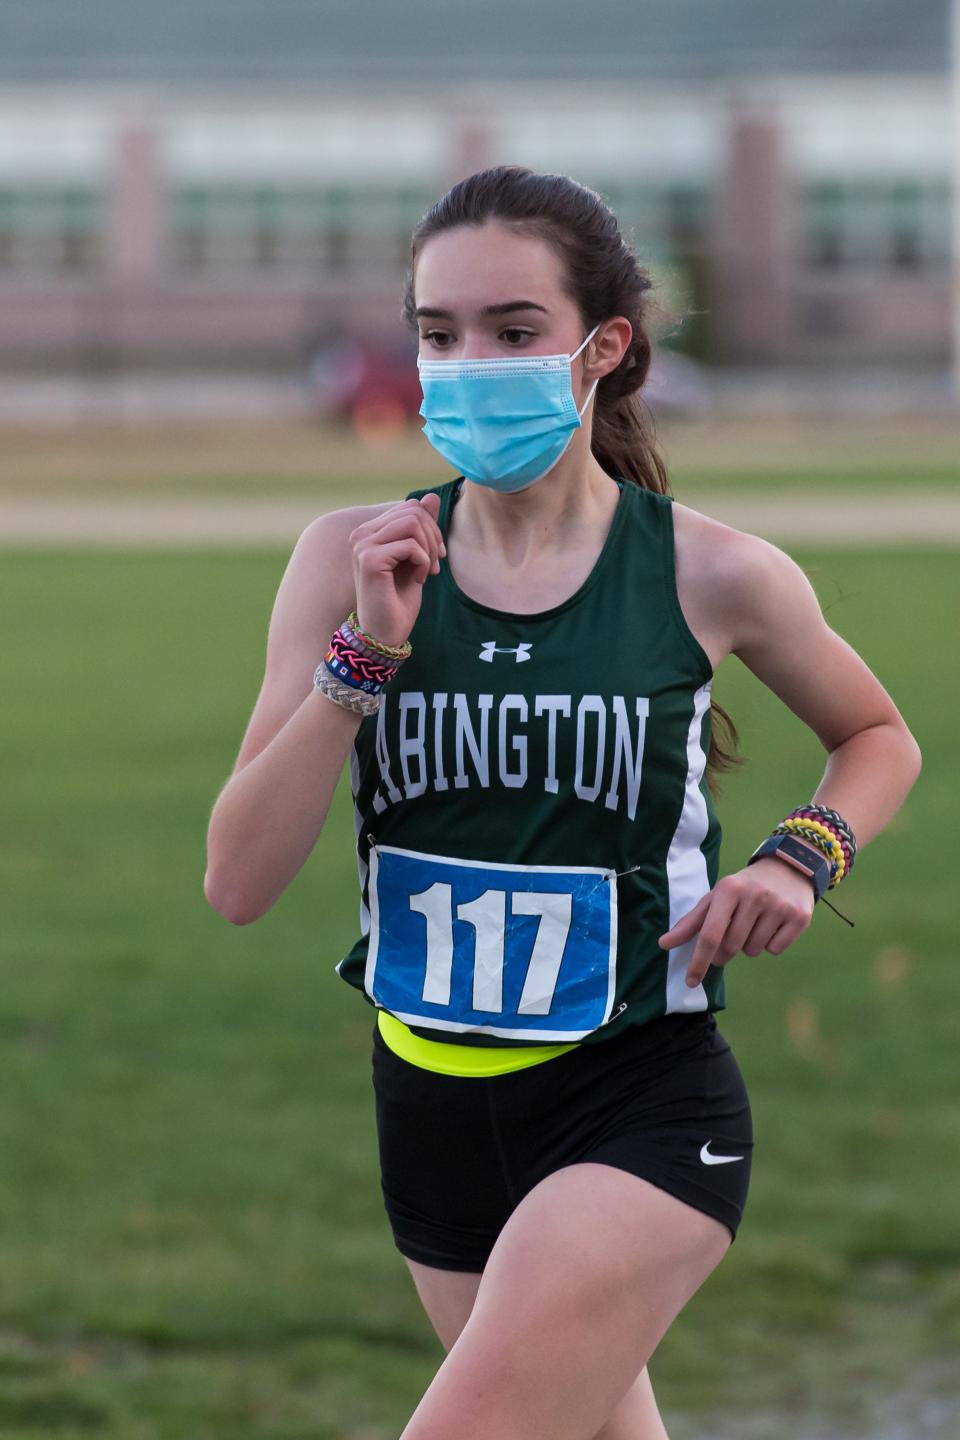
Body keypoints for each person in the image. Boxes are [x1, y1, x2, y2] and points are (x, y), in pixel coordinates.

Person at [204, 166, 922, 1440]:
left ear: (603, 348)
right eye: (439, 334)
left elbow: (875, 736)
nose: (468, 364)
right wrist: (362, 662)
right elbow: (240, 882)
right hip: (428, 1101)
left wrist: (799, 859)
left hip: (638, 1100)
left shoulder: (711, 571)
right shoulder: (346, 557)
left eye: (513, 331)